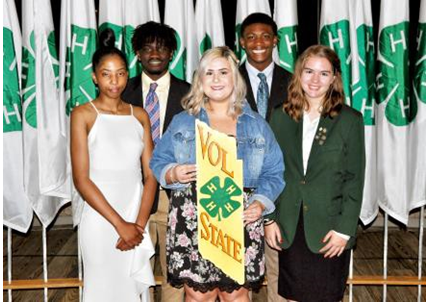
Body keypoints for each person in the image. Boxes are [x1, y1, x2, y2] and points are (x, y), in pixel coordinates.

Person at [150, 46, 285, 302]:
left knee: (235, 295)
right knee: (199, 296)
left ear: (235, 77)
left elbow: (274, 172)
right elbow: (158, 161)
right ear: (200, 80)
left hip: (239, 219)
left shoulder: (257, 124)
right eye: (208, 73)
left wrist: (260, 203)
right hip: (192, 220)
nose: (216, 79)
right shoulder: (182, 121)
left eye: (223, 72)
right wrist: (173, 172)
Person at [265, 45, 365, 302]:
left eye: (323, 73)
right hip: (289, 224)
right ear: (299, 74)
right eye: (309, 71)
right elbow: (269, 172)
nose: (315, 80)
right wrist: (269, 219)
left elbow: (355, 179)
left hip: (329, 228)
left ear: (334, 78)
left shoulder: (350, 120)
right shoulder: (279, 116)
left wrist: (344, 230)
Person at [71, 29, 157, 302]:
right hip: (100, 220)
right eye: (106, 74)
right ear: (95, 77)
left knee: (132, 290)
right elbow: (81, 179)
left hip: (135, 215)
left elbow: (151, 175)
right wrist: (120, 224)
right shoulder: (82, 114)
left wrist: (138, 226)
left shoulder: (140, 115)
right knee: (102, 288)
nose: (114, 80)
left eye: (120, 73)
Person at [122, 21, 190, 302]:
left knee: (176, 270)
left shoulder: (190, 95)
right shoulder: (121, 92)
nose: (154, 52)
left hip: (176, 193)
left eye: (161, 47)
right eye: (147, 47)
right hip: (131, 195)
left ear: (172, 53)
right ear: (137, 52)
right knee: (134, 268)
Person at [239, 12, 291, 302]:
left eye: (265, 36)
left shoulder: (295, 81)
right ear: (241, 42)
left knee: (277, 271)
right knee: (234, 278)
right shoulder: (225, 79)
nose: (258, 42)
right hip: (233, 189)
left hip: (279, 190)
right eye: (251, 36)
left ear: (275, 41)